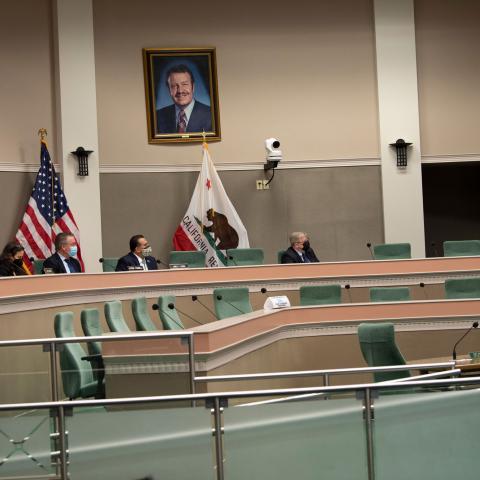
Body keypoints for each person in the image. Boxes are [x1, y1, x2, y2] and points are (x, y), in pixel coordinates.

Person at [156, 64, 212, 134]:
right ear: (168, 89)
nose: (180, 91)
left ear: (193, 86)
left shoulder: (211, 115)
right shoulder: (158, 116)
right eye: (174, 86)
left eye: (184, 84)